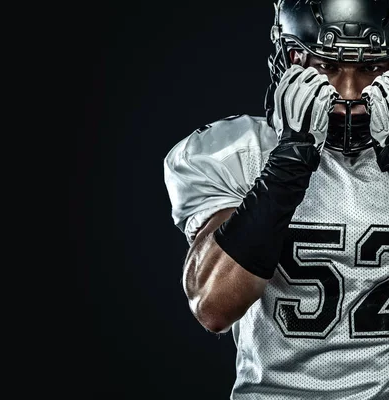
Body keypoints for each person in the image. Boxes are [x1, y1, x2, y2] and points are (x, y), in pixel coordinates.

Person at [163, 1, 388, 399]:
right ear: (293, 60)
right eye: (328, 68)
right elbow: (213, 305)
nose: (348, 93)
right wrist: (286, 166)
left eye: (371, 68)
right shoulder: (240, 154)